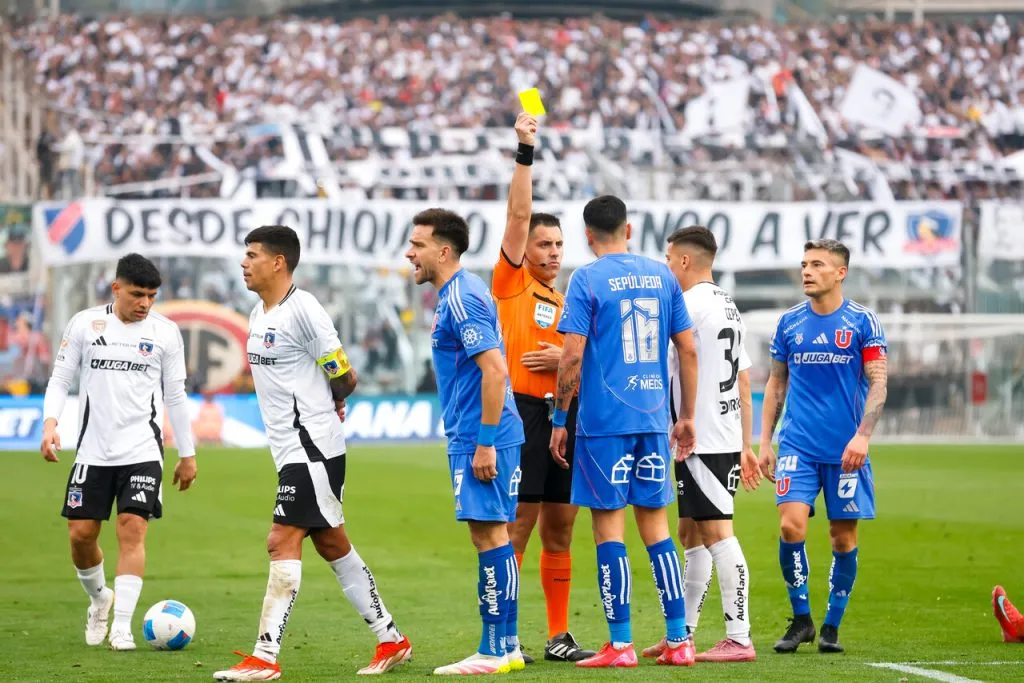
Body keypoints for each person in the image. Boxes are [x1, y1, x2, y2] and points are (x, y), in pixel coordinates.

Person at [214, 226, 411, 680]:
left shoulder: (304, 310)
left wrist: (333, 398)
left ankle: (264, 657)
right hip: (290, 448)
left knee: (280, 539)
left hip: (313, 447)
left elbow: (344, 374)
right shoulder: (257, 313)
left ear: (278, 262)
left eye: (252, 255)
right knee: (331, 542)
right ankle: (391, 639)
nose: (244, 263)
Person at [549, 195, 700, 668]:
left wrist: (559, 419)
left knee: (607, 529)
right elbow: (688, 349)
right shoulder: (662, 275)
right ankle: (679, 640)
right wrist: (686, 415)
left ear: (587, 235)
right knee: (657, 529)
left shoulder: (586, 279)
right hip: (653, 420)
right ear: (628, 230)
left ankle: (621, 644)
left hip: (604, 425)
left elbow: (572, 355)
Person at [40, 253, 198, 651]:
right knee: (81, 535)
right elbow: (60, 378)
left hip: (142, 449)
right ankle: (100, 600)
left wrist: (188, 453)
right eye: (137, 294)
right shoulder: (85, 324)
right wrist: (50, 423)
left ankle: (123, 627)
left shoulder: (165, 332)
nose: (145, 303)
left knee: (132, 527)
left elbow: (176, 396)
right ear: (116, 288)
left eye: (152, 296)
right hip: (92, 451)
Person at [490, 112, 593, 663]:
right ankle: (504, 634)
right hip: (523, 413)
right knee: (518, 526)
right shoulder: (511, 283)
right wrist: (525, 150)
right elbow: (517, 213)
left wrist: (566, 360)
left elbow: (582, 361)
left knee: (561, 527)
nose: (554, 252)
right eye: (544, 243)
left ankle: (557, 636)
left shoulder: (566, 299)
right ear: (524, 249)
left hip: (564, 416)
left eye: (558, 244)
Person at [406, 208, 526, 675]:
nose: (409, 253)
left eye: (417, 244)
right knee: (496, 533)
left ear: (443, 251)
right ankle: (508, 645)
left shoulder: (460, 297)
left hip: (482, 433)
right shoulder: (463, 292)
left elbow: (494, 371)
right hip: (488, 430)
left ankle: (492, 650)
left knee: (488, 535)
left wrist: (485, 442)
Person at [759, 239, 888, 655]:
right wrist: (764, 442)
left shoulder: (863, 322)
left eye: (817, 264)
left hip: (845, 451)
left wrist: (863, 435)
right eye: (804, 264)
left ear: (840, 272)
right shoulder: (789, 323)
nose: (807, 271)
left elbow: (879, 382)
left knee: (842, 537)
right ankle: (802, 620)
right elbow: (776, 382)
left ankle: (831, 625)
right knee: (790, 525)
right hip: (797, 445)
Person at [643, 226, 761, 662]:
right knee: (690, 531)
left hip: (702, 436)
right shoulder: (727, 304)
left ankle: (739, 636)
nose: (666, 266)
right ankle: (683, 633)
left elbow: (666, 360)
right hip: (720, 433)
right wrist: (745, 443)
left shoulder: (687, 304)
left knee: (716, 532)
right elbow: (744, 379)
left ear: (685, 261)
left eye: (669, 258)